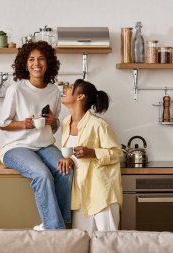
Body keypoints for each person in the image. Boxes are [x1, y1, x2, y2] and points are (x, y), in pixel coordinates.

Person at [0, 41, 72, 230]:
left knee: (66, 171)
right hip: (17, 147)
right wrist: (25, 123)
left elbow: (55, 126)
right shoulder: (16, 89)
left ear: (48, 63)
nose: (36, 63)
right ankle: (56, 230)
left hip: (44, 145)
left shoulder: (54, 91)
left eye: (41, 59)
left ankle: (60, 223)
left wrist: (52, 121)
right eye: (31, 59)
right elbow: (4, 124)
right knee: (42, 174)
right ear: (25, 64)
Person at [57, 79, 123, 235]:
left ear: (80, 97)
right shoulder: (66, 123)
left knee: (109, 243)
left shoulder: (98, 124)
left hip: (102, 194)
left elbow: (117, 153)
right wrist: (67, 159)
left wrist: (92, 152)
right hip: (81, 195)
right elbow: (71, 154)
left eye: (71, 87)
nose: (66, 89)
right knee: (81, 242)